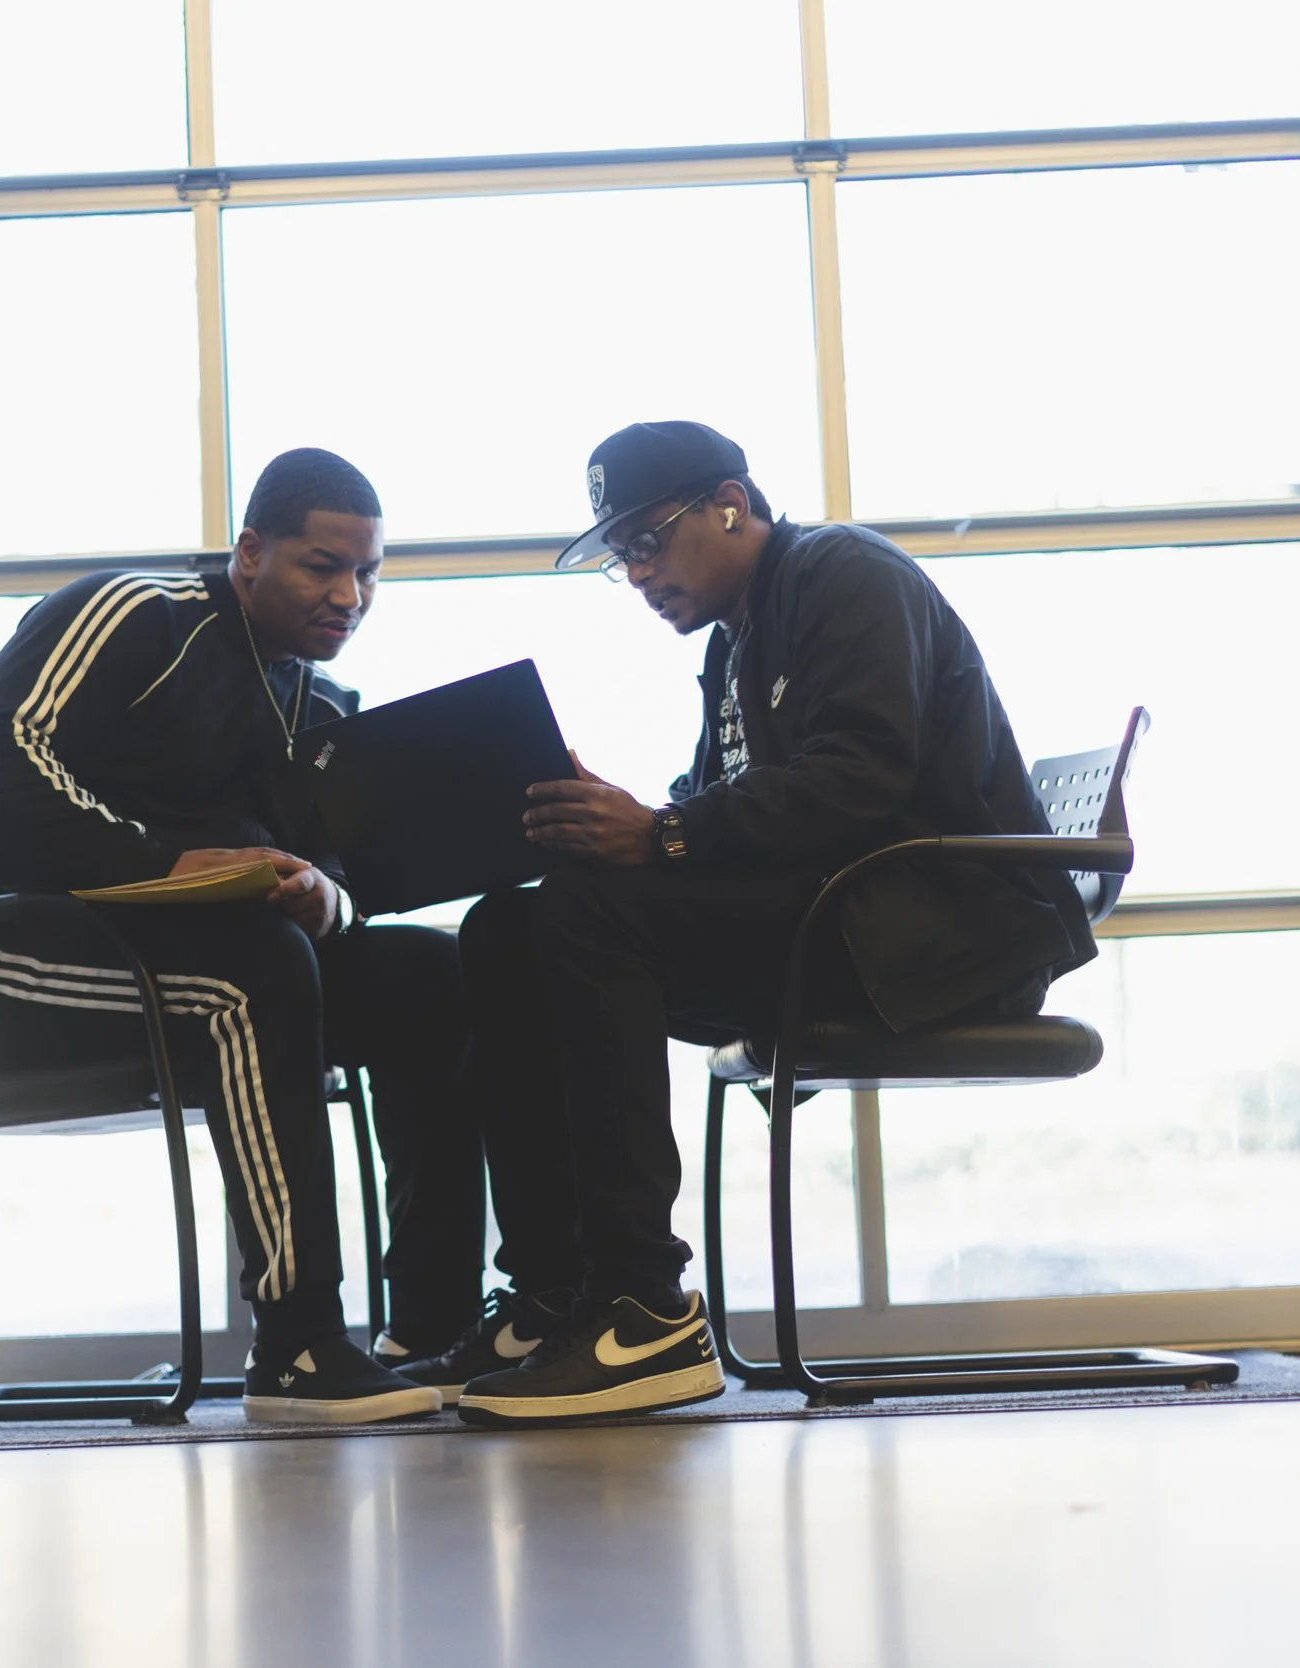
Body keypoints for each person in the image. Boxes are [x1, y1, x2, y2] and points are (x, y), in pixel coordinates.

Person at [408, 420, 1097, 1426]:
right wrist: (618, 824)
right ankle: (556, 1298)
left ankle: (643, 1306)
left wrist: (662, 837)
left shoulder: (841, 575)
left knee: (585, 918)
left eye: (646, 539)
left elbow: (862, 778)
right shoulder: (737, 638)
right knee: (504, 934)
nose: (637, 573)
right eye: (619, 556)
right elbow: (719, 800)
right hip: (844, 910)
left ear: (729, 503)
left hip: (934, 927)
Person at [0, 448, 482, 1424]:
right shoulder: (137, 612)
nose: (349, 596)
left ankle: (429, 1331)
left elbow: (347, 874)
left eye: (370, 575)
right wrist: (147, 859)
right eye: (322, 566)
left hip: (191, 963)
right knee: (257, 977)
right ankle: (298, 1345)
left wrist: (327, 894)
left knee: (435, 975)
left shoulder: (314, 701)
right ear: (248, 555)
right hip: (15, 961)